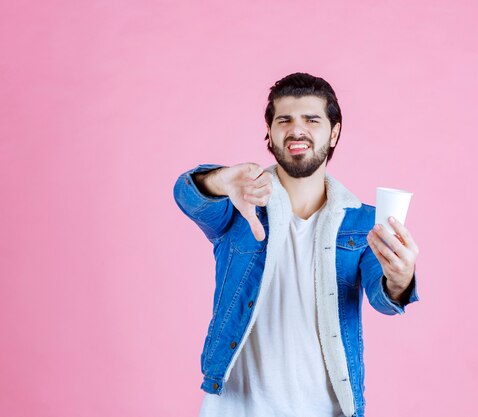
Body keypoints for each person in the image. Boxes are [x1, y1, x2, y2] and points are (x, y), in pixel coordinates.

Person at [173, 72, 420, 417]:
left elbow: (384, 299)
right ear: (270, 134)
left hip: (327, 409)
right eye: (284, 119)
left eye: (311, 119)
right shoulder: (239, 205)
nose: (296, 129)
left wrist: (401, 276)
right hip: (233, 408)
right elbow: (186, 195)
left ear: (334, 133)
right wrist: (219, 179)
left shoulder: (362, 222)